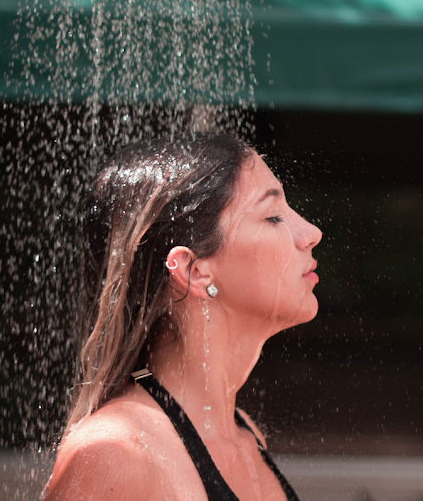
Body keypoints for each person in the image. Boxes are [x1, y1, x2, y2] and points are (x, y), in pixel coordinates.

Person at [45, 132, 321, 501]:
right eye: (272, 216)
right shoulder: (118, 454)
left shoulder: (245, 436)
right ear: (193, 270)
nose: (311, 233)